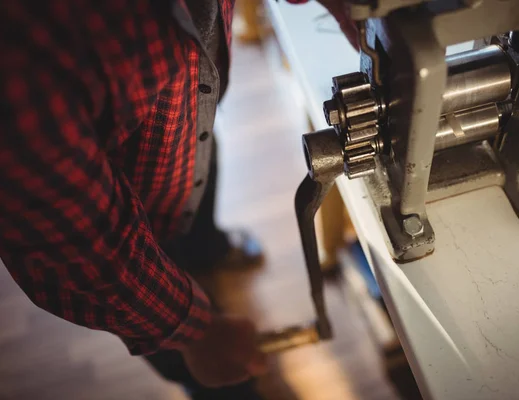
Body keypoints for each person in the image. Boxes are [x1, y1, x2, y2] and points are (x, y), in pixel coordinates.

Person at [0, 0, 357, 398]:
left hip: (183, 118)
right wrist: (195, 332)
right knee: (224, 372)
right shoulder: (20, 44)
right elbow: (80, 245)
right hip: (133, 230)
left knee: (202, 176)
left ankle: (208, 247)